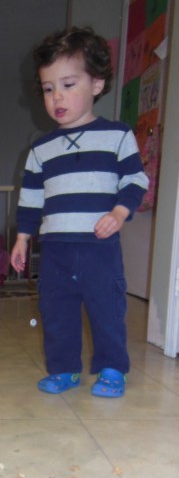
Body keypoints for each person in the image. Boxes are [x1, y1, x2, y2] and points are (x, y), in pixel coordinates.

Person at [11, 26, 149, 398]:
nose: (57, 96)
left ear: (97, 84)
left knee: (106, 310)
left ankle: (111, 367)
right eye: (48, 88)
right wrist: (23, 237)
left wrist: (120, 213)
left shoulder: (117, 135)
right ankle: (64, 369)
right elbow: (31, 198)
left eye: (68, 84)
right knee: (57, 312)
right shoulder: (40, 150)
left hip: (99, 247)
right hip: (54, 249)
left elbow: (136, 180)